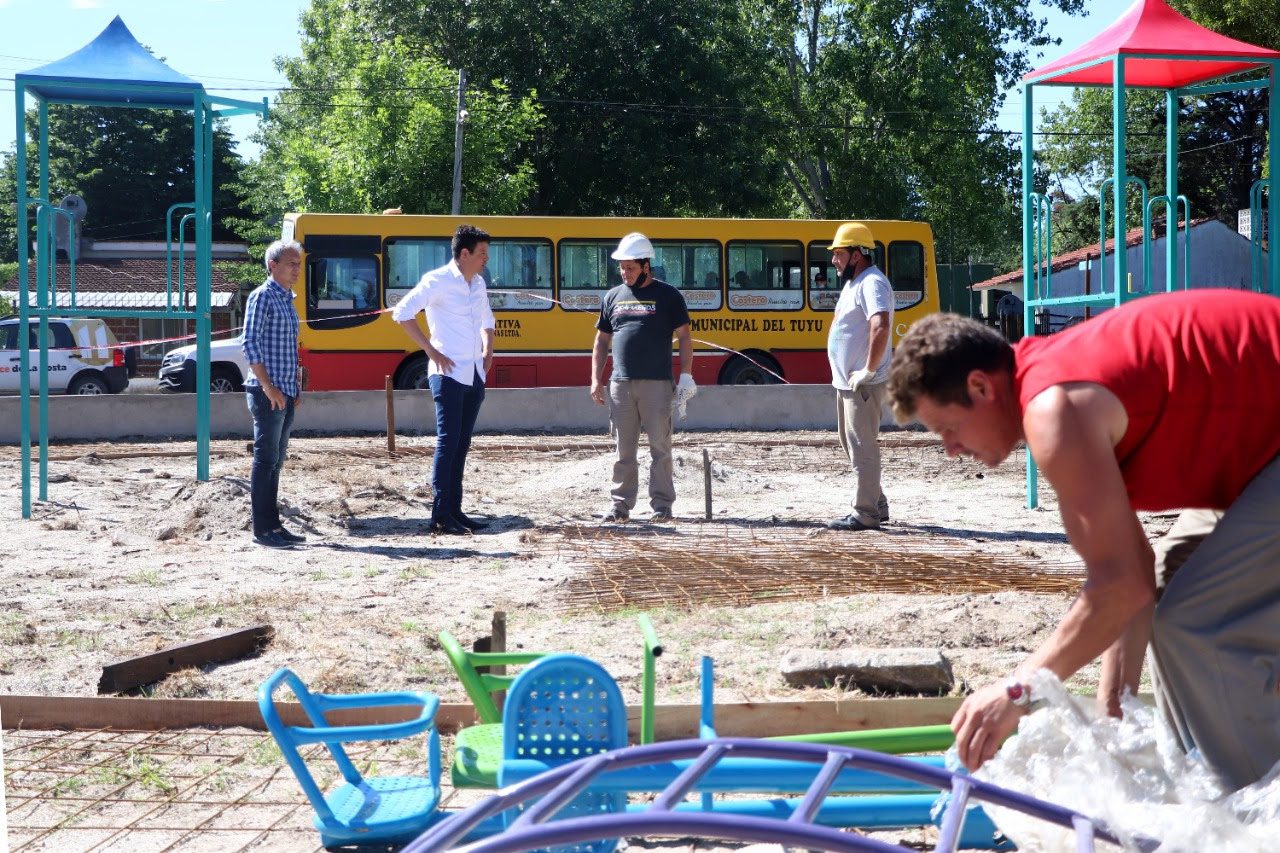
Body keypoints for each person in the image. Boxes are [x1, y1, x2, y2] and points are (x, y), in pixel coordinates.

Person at [887, 289, 1280, 790]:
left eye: (947, 428)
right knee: (1173, 586)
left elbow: (1118, 587)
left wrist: (1016, 691)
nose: (950, 449)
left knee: (1198, 624)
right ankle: (1222, 779)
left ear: (980, 386)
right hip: (1263, 456)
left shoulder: (1055, 410)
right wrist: (1113, 712)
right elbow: (1136, 575)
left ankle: (1255, 819)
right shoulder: (1052, 380)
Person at [393, 224, 496, 535]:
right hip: (448, 375)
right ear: (463, 253)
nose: (485, 260)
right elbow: (402, 312)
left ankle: (456, 510)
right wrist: (430, 351)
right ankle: (440, 514)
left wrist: (488, 351)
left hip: (475, 373)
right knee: (448, 441)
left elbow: (488, 321)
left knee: (462, 444)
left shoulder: (477, 283)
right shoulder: (436, 280)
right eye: (481, 254)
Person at [590, 232, 694, 523]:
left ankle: (662, 506)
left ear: (646, 266)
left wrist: (686, 375)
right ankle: (620, 506)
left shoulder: (669, 296)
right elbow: (600, 341)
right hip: (620, 385)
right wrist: (595, 379)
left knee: (660, 448)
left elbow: (685, 337)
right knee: (624, 450)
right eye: (622, 268)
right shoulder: (612, 297)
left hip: (657, 386)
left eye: (631, 268)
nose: (625, 273)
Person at [825, 222, 893, 531]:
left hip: (862, 383)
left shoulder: (872, 283)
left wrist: (868, 369)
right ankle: (877, 503)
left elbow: (880, 325)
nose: (833, 260)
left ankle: (866, 513)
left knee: (862, 446)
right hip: (847, 383)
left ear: (857, 254)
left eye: (838, 254)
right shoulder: (855, 283)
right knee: (851, 443)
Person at [242, 239, 306, 549]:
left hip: (285, 391)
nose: (297, 269)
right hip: (267, 392)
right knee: (265, 459)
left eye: (299, 263)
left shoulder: (287, 300)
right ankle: (262, 528)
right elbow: (250, 344)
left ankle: (274, 526)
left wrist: (295, 387)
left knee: (276, 460)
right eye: (291, 263)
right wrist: (269, 387)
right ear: (273, 266)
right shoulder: (262, 297)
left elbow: (289, 349)